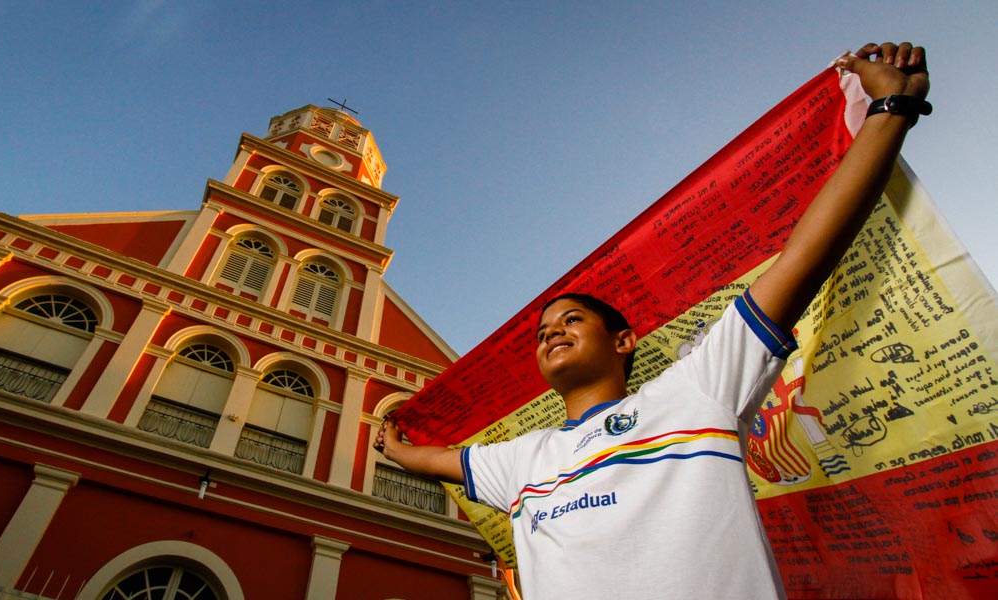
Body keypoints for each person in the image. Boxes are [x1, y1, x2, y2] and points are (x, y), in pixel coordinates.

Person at [376, 42, 930, 599]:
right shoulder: (520, 460)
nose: (551, 334)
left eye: (571, 320)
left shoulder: (696, 389)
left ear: (623, 340)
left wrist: (890, 112)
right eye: (544, 333)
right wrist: (393, 439)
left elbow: (803, 258)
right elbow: (418, 456)